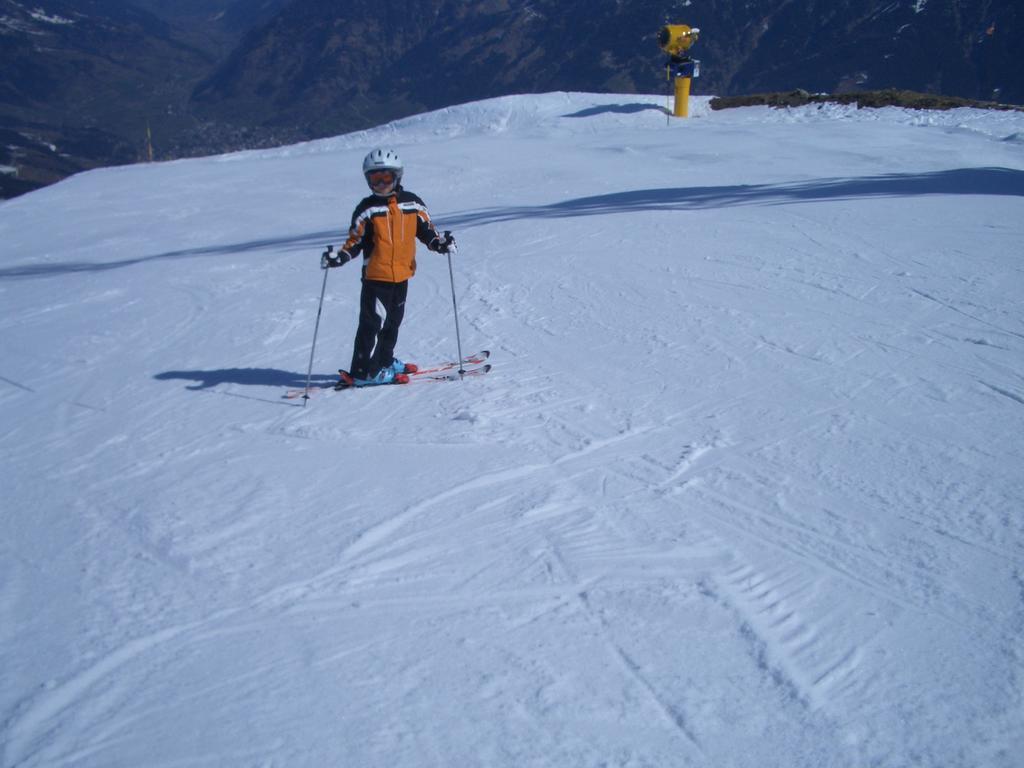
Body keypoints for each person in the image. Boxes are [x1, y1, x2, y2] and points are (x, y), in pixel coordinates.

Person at [322, 148, 456, 387]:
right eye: (375, 179)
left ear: (398, 176)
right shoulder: (368, 209)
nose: (381, 184)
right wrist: (339, 257)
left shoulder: (412, 204)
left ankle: (383, 361)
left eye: (386, 177)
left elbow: (426, 231)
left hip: (402, 275)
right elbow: (355, 241)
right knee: (371, 324)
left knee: (393, 323)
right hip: (376, 278)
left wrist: (439, 244)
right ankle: (363, 373)